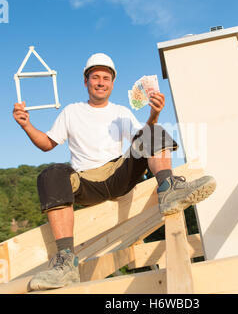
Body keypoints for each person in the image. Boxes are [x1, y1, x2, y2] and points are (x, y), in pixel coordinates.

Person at [12, 53, 216, 291]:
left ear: (112, 83)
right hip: (86, 181)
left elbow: (143, 138)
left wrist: (154, 114)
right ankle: (66, 263)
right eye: (95, 77)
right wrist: (26, 124)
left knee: (152, 131)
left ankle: (169, 189)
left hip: (119, 174)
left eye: (106, 78)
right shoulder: (72, 111)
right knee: (51, 174)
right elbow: (47, 144)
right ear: (86, 82)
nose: (100, 82)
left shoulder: (120, 111)